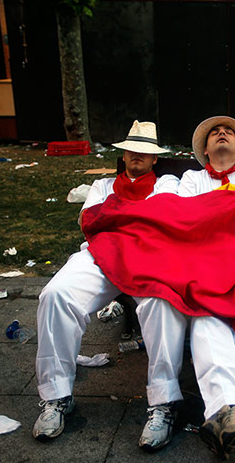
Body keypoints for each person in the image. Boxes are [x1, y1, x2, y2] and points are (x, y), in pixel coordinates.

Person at [32, 121, 185, 452]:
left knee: (162, 303)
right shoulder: (102, 184)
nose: (137, 155)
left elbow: (165, 220)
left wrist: (118, 214)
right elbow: (91, 223)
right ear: (124, 153)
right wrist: (138, 216)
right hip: (102, 256)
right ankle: (57, 396)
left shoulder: (167, 182)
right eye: (131, 149)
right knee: (56, 295)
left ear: (155, 158)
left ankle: (163, 403)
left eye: (144, 151)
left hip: (149, 257)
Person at [178, 116, 235, 458]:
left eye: (228, 132)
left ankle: (227, 412)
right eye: (215, 133)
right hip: (203, 261)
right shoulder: (191, 178)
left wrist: (216, 213)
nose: (221, 133)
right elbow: (184, 219)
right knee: (204, 318)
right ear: (205, 150)